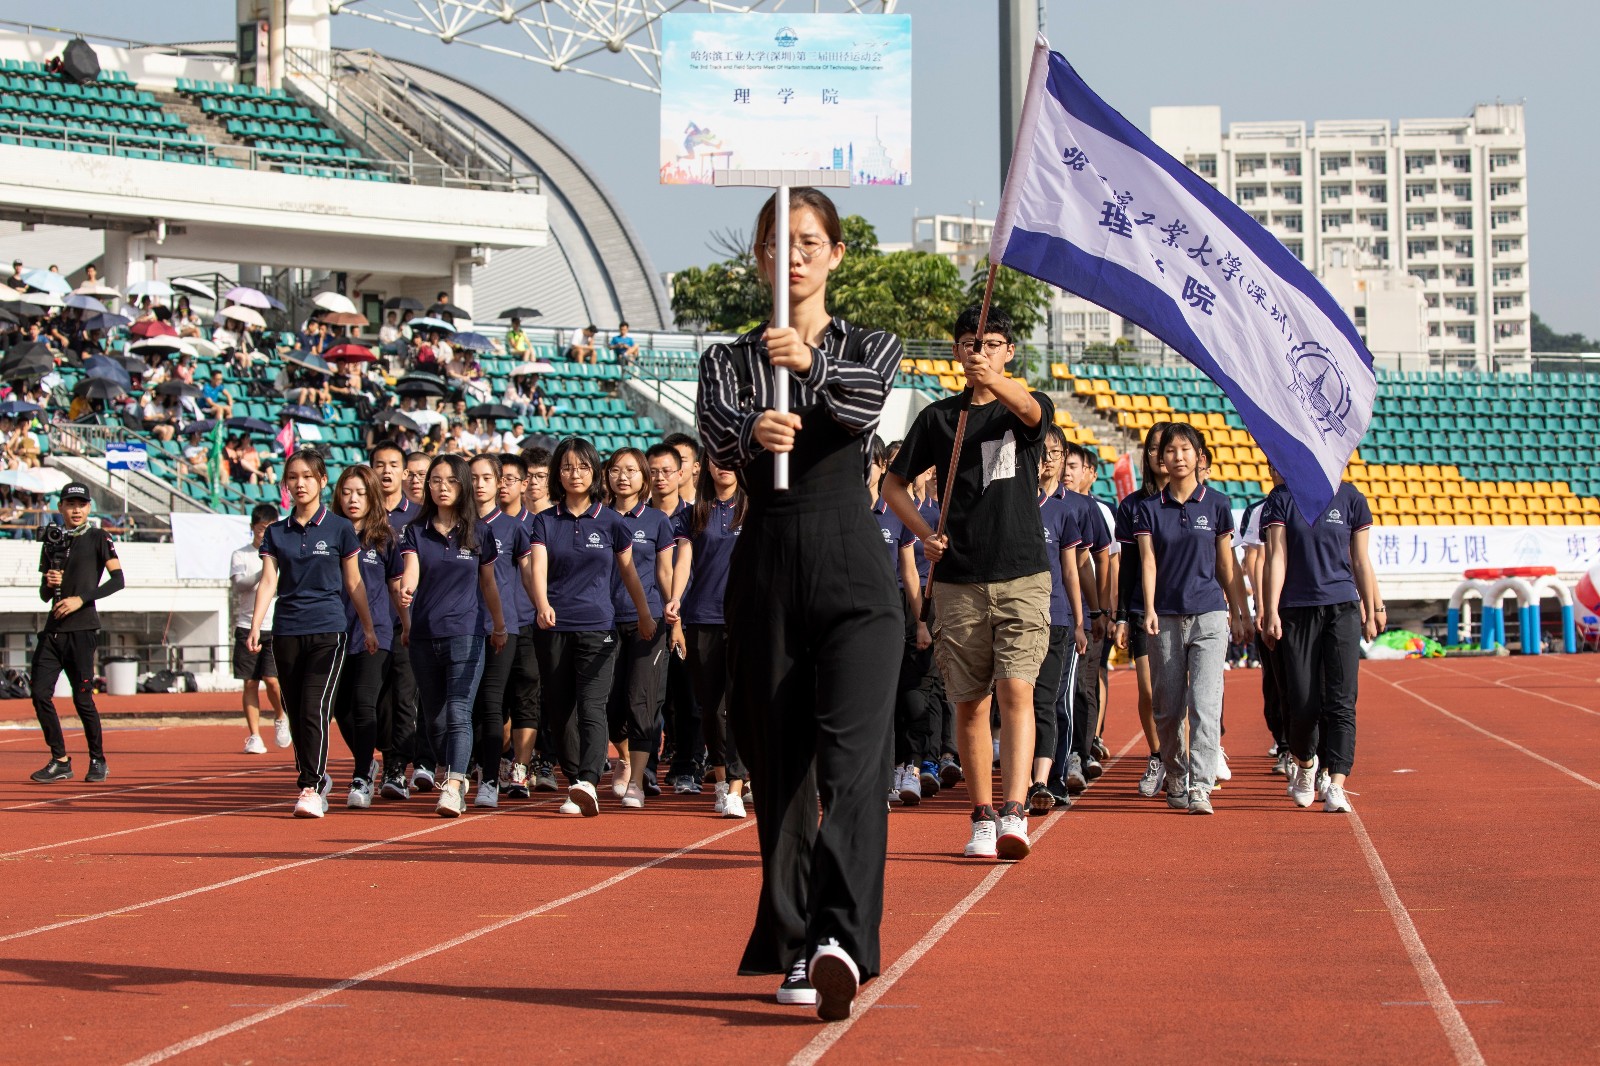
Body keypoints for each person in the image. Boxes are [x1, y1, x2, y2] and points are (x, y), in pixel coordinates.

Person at [699, 187, 904, 1020]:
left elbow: (861, 404)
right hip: (766, 567)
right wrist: (754, 435)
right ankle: (792, 944)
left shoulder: (872, 343)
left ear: (836, 254)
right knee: (779, 769)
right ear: (757, 259)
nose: (794, 254)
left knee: (855, 768)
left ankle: (842, 940)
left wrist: (807, 364)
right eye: (777, 242)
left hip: (854, 569)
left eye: (810, 240)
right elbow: (714, 435)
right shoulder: (726, 358)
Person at [885, 303, 1054, 863]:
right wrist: (923, 532)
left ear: (1007, 351)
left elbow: (1031, 412)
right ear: (956, 351)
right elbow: (893, 485)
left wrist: (995, 383)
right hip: (958, 580)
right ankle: (981, 815)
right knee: (970, 703)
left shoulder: (1024, 410)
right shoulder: (936, 418)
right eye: (967, 343)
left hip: (1023, 574)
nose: (976, 352)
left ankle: (1015, 810)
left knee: (1017, 690)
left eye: (990, 343)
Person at [249, 450, 379, 818]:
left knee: (313, 708)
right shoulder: (276, 533)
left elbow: (354, 582)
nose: (300, 483)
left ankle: (310, 785)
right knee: (295, 712)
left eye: (308, 476)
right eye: (293, 477)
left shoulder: (339, 528)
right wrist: (257, 625)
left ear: (323, 481)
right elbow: (268, 581)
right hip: (287, 631)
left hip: (328, 630)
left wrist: (367, 628)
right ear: (285, 484)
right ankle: (315, 778)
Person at [529, 437, 653, 816]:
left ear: (594, 472)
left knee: (592, 706)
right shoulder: (544, 520)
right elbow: (537, 566)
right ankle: (574, 781)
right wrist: (542, 603)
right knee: (559, 708)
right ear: (557, 474)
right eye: (567, 467)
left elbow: (630, 573)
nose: (574, 474)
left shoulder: (613, 522)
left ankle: (587, 780)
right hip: (553, 626)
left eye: (582, 467)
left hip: (598, 626)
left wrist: (645, 613)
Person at [1133, 423, 1253, 815]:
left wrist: (1239, 612)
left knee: (1205, 702)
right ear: (1161, 460)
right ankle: (1176, 774)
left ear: (1199, 457)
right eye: (1171, 450)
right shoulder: (1148, 509)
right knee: (1167, 708)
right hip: (1164, 616)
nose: (1178, 456)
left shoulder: (1217, 504)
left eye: (1186, 449)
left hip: (1209, 615)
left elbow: (1226, 563)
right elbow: (1147, 561)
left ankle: (1201, 784)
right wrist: (1148, 608)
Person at [1259, 471, 1380, 815]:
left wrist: (1371, 611)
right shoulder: (1281, 499)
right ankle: (1307, 764)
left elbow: (1360, 560)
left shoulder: (1351, 498)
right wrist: (1271, 610)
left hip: (1341, 607)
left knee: (1341, 700)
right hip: (1296, 609)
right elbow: (1276, 557)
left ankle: (1337, 783)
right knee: (1301, 701)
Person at [397, 453, 508, 817]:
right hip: (425, 635)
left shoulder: (480, 532)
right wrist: (406, 591)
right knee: (435, 717)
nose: (442, 488)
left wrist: (499, 625)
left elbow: (489, 584)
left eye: (451, 481)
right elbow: (410, 570)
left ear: (463, 485)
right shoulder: (415, 530)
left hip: (467, 632)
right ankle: (454, 766)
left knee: (459, 710)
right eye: (435, 481)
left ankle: (455, 784)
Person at [27, 482, 123, 784]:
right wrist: (49, 581)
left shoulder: (99, 537)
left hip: (82, 630)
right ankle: (60, 759)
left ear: (89, 507)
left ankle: (98, 759)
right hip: (53, 631)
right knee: (39, 693)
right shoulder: (52, 540)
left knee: (83, 699)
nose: (76, 509)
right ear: (61, 508)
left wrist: (82, 599)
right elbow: (45, 594)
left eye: (81, 504)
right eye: (70, 504)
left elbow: (118, 580)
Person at [602, 446, 679, 810]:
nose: (623, 477)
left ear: (644, 479)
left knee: (641, 701)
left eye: (631, 470)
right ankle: (625, 756)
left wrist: (673, 615)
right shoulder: (596, 517)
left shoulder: (657, 521)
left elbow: (665, 572)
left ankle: (637, 781)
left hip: (648, 622)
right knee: (608, 704)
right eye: (616, 470)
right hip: (601, 621)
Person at [331, 465, 407, 809]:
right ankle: (371, 758)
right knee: (340, 708)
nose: (353, 499)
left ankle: (362, 775)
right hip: (334, 632)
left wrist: (406, 623)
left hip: (375, 633)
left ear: (372, 496)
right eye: (347, 492)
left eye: (361, 493)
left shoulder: (384, 539)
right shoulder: (329, 534)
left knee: (365, 704)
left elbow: (394, 585)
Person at [467, 452, 537, 809]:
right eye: (473, 478)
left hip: (503, 627)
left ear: (499, 483)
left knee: (493, 703)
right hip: (460, 627)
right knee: (468, 706)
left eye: (486, 478)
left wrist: (540, 606)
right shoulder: (455, 526)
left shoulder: (514, 527)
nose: (479, 485)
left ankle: (490, 778)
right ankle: (470, 767)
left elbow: (527, 573)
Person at [679, 457, 747, 816]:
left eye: (731, 460)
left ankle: (736, 786)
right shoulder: (694, 514)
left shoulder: (754, 510)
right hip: (701, 617)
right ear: (705, 466)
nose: (724, 466)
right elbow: (683, 561)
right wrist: (674, 603)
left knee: (738, 705)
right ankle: (721, 780)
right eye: (717, 460)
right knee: (710, 709)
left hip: (745, 620)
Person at [1031, 426, 1090, 813]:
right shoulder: (1017, 503)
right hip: (1019, 618)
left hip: (1057, 619)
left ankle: (1046, 781)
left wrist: (1082, 621)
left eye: (1055, 453)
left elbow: (1072, 570)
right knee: (1019, 701)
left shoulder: (1066, 512)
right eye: (1042, 452)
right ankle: (1026, 781)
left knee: (1048, 702)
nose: (1048, 460)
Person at [1114, 422, 1173, 797]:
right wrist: (1121, 614)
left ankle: (1187, 756)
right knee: (1149, 689)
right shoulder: (1132, 506)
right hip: (1141, 609)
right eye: (1153, 448)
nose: (1160, 455)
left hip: (1187, 607)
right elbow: (1128, 567)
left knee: (1183, 691)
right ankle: (1158, 755)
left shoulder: (1200, 502)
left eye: (1166, 448)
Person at [371, 442, 421, 799]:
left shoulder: (419, 518)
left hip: (410, 624)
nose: (386, 471)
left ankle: (395, 766)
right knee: (370, 702)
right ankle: (379, 757)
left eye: (393, 465)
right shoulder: (358, 518)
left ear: (404, 473)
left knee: (403, 698)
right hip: (369, 624)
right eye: (379, 464)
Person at [494, 452, 544, 798]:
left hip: (528, 622)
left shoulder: (536, 524)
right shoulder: (476, 523)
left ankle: (522, 768)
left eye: (510, 478)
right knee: (494, 702)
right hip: (489, 625)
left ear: (524, 483)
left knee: (527, 696)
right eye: (495, 477)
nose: (501, 485)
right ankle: (496, 759)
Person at [232, 503, 288, 755]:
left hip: (274, 626)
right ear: (252, 528)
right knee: (250, 683)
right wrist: (263, 570)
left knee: (272, 680)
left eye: (268, 529)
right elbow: (240, 586)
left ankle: (280, 716)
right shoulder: (241, 555)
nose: (262, 534)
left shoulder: (282, 554)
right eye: (259, 529)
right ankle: (254, 735)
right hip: (247, 625)